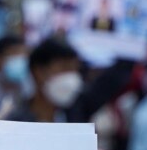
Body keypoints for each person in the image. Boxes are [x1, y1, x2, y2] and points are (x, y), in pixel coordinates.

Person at [7, 37, 135, 124]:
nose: (72, 77)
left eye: (75, 70)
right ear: (38, 72)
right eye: (64, 68)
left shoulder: (77, 109)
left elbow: (114, 78)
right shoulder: (16, 121)